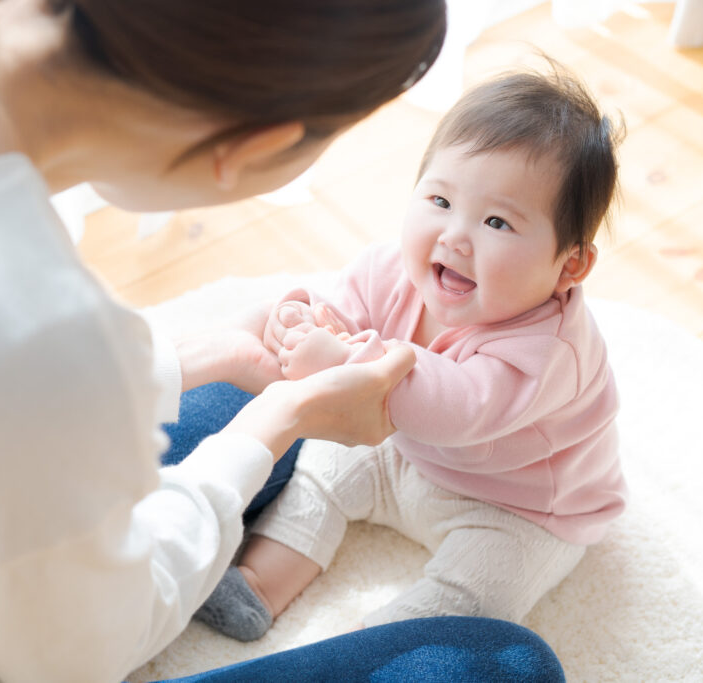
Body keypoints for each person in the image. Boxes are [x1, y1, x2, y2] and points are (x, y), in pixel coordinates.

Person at [0, 0, 569, 680]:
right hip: (33, 640)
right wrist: (285, 416)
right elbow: (88, 651)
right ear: (255, 144)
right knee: (503, 662)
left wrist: (194, 360)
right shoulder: (21, 322)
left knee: (232, 392)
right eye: (436, 198)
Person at [193, 64, 629, 642]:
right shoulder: (394, 268)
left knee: (482, 590)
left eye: (497, 221)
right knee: (322, 470)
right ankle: (258, 583)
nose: (455, 236)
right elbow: (342, 309)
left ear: (568, 265)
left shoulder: (552, 350)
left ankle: (370, 641)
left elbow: (458, 408)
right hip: (400, 454)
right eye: (441, 200)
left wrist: (347, 360)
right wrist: (303, 322)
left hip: (517, 507)